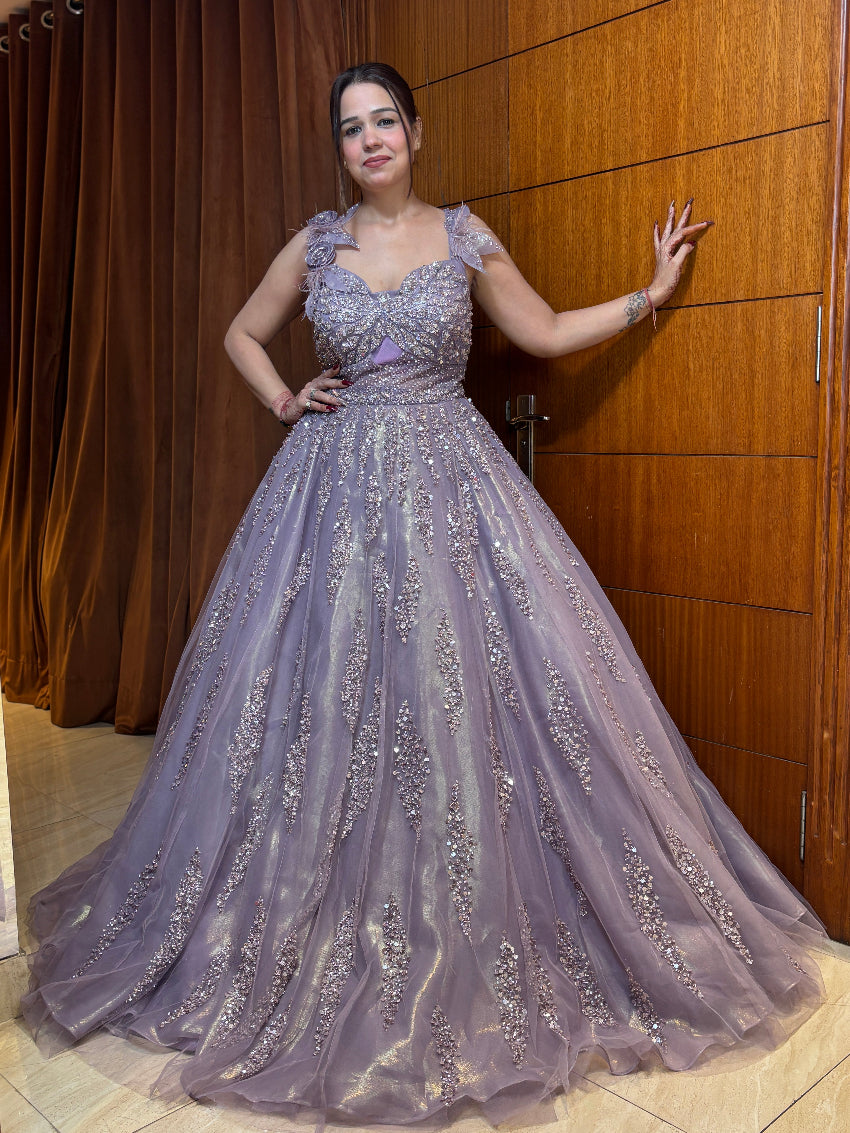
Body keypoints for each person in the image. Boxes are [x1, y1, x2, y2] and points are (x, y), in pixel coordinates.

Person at [22, 62, 829, 1127]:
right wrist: (280, 395)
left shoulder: (463, 233)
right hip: (329, 493)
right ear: (340, 147)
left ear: (415, 128)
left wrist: (649, 294)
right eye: (350, 128)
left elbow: (537, 332)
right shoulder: (316, 243)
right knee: (315, 706)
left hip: (457, 488)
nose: (369, 140)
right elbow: (239, 332)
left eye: (384, 120)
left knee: (478, 704)